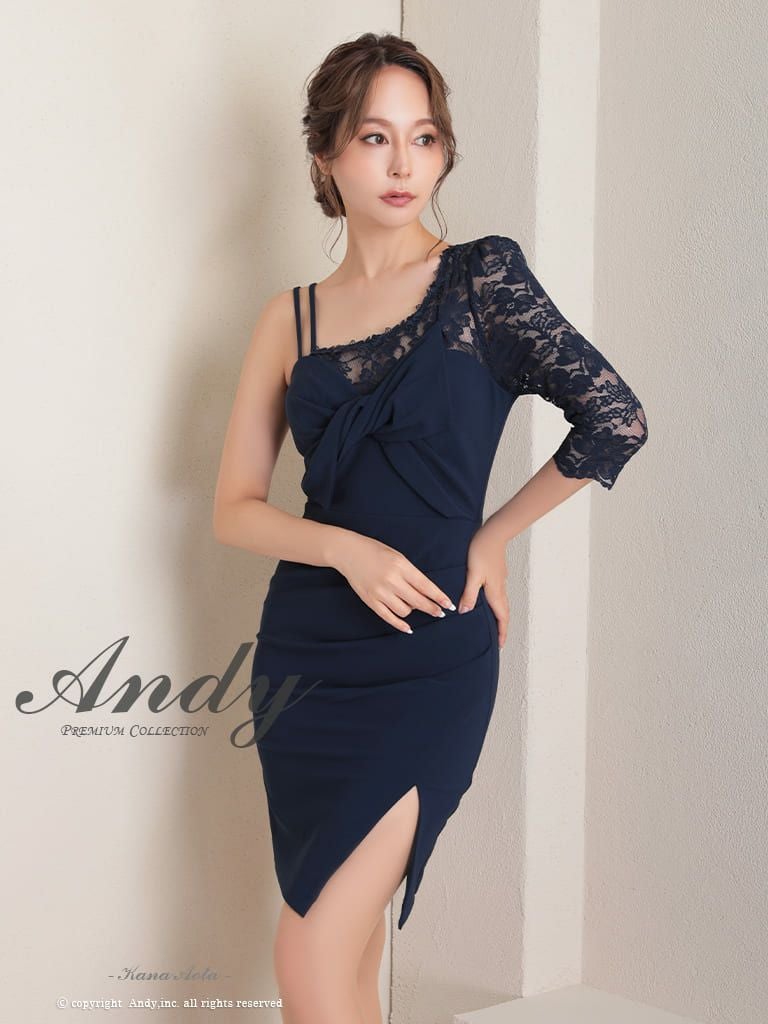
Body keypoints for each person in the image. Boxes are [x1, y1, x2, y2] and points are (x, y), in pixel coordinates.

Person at [213, 31, 648, 1024]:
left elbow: (616, 417)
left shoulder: (483, 282)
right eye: (375, 137)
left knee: (308, 952)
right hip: (306, 657)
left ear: (445, 151)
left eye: (424, 137)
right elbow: (234, 508)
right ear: (325, 154)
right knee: (345, 956)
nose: (404, 163)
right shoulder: (290, 319)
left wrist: (491, 539)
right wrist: (345, 548)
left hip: (432, 647)